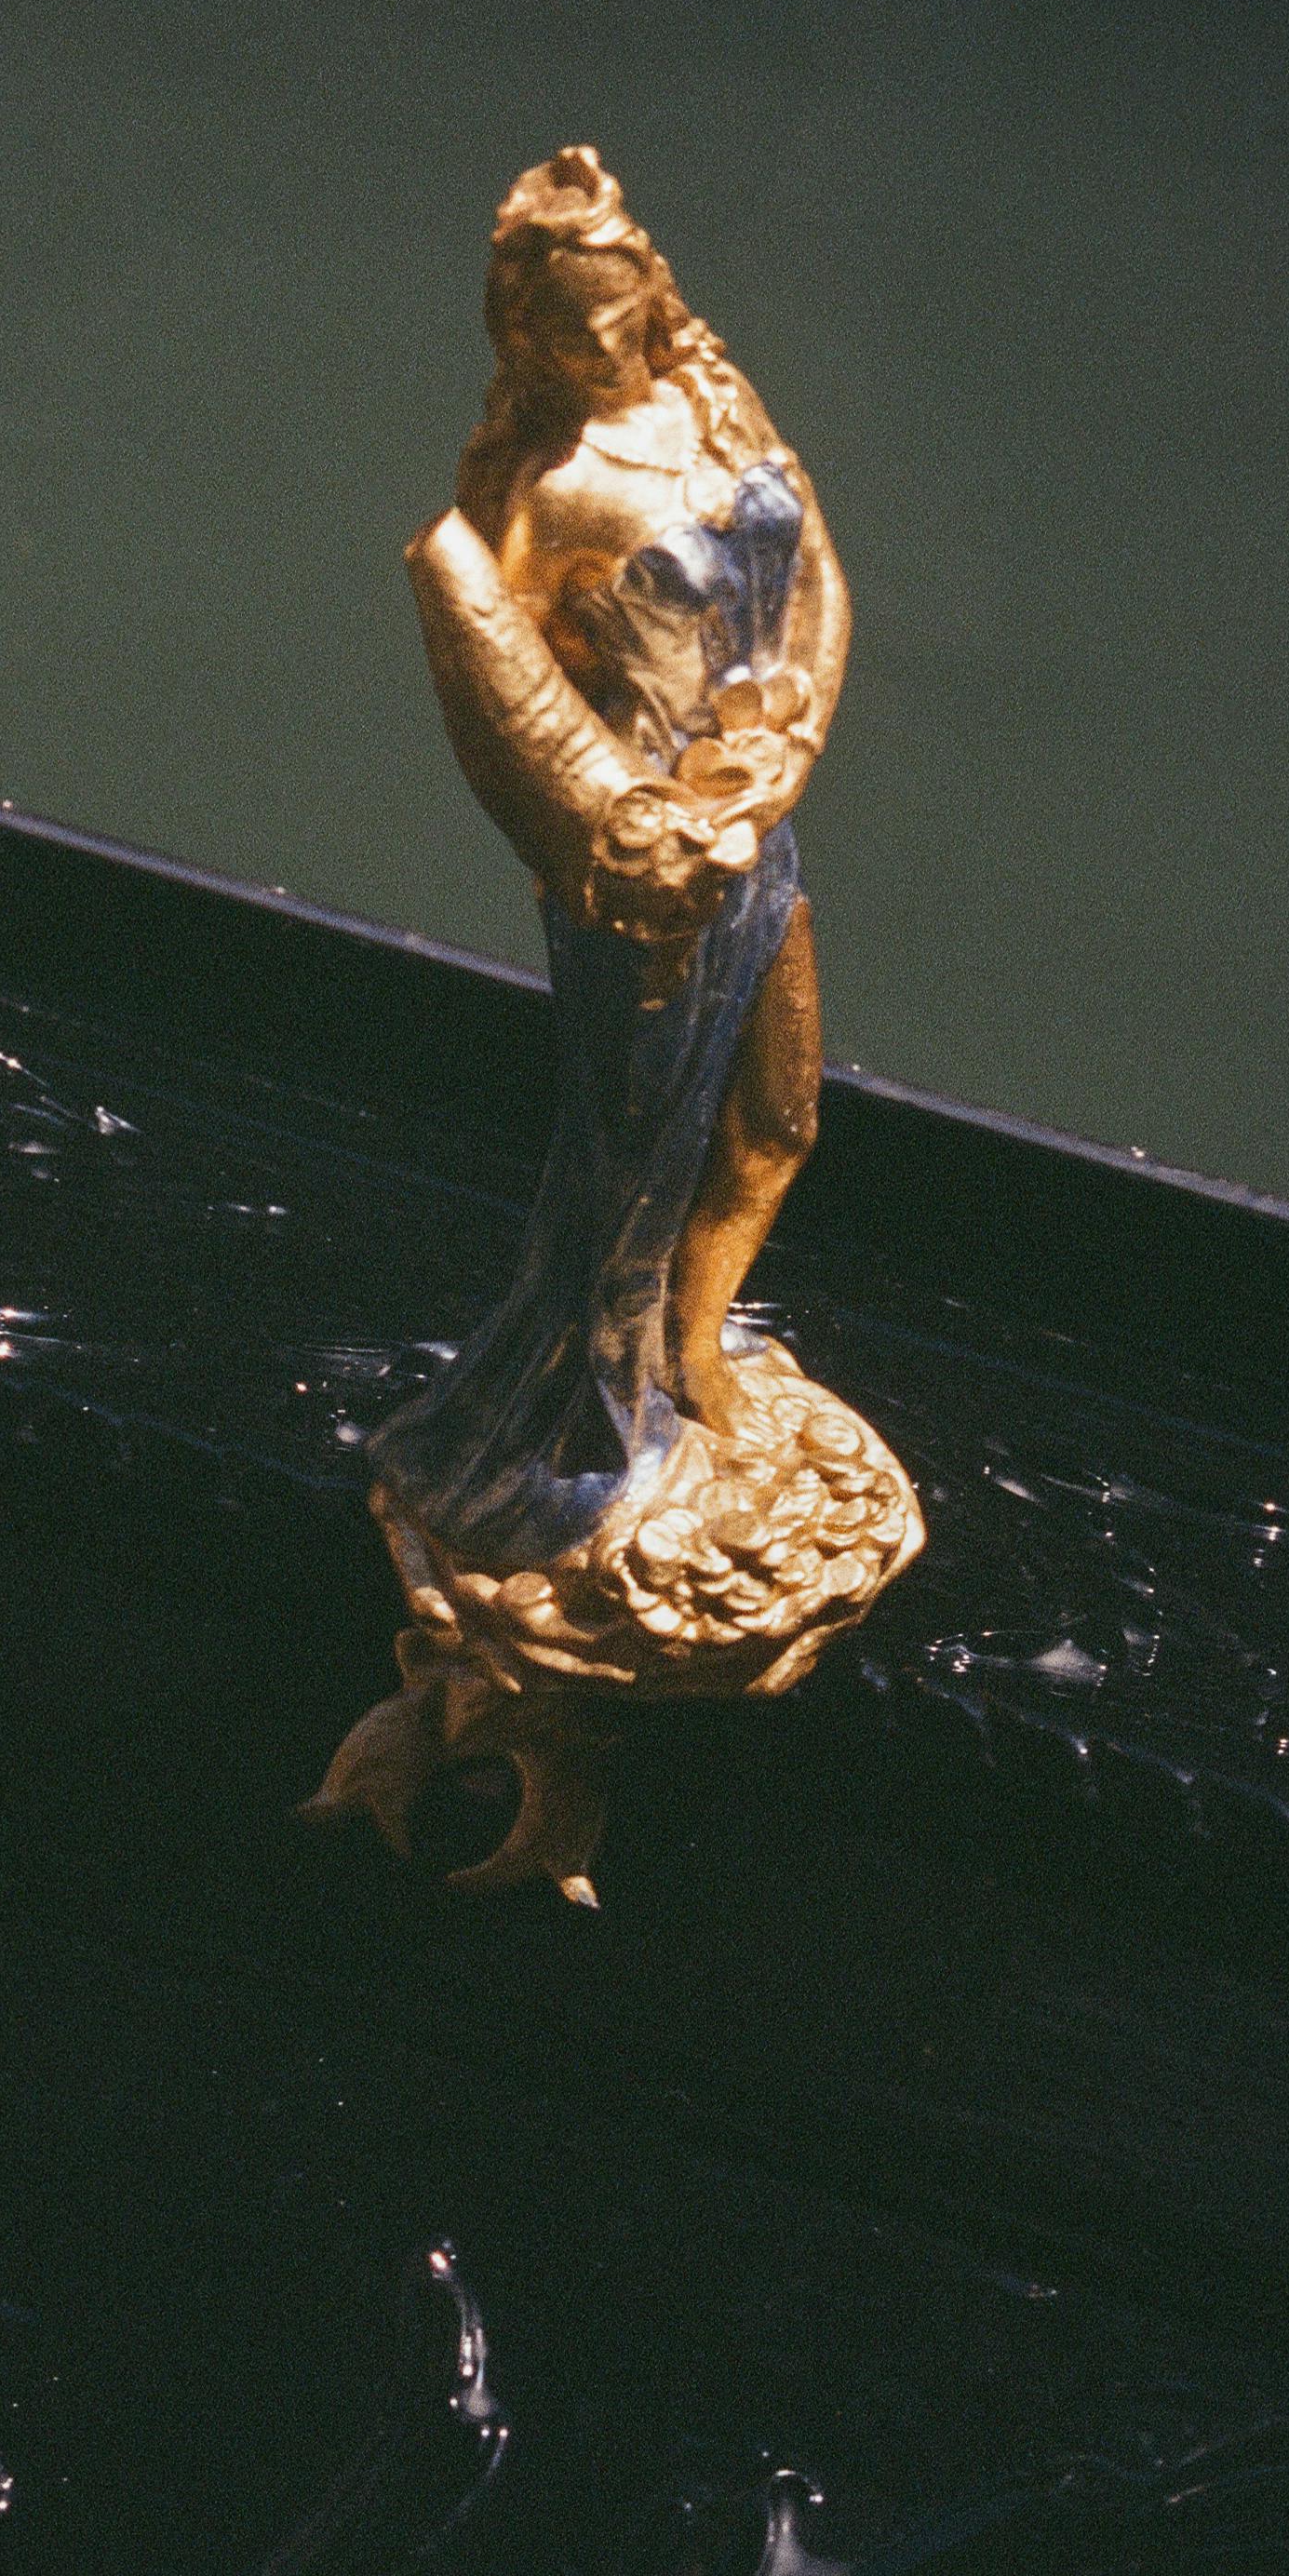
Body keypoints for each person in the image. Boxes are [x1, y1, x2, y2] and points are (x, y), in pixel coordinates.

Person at [310, 149, 916, 1900]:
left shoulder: (717, 407)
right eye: (567, 333)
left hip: (754, 826)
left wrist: (776, 760)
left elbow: (817, 593)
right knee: (625, 1168)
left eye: (618, 312)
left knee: (781, 1113)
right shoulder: (541, 496)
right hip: (640, 886)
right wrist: (640, 831)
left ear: (648, 293)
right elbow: (503, 692)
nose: (604, 348)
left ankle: (696, 1355)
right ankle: (574, 1438)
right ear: (528, 340)